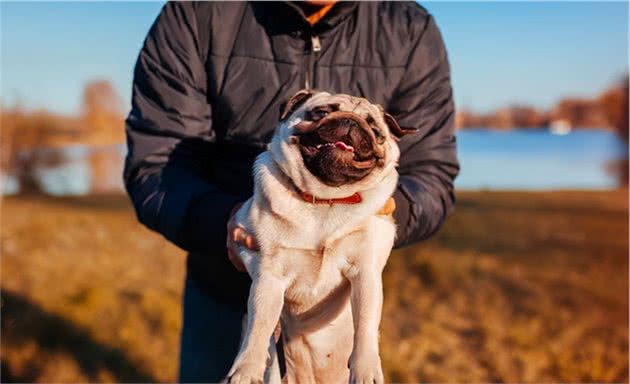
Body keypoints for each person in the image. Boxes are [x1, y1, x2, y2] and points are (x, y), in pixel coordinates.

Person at [123, 1, 459, 382]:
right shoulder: (200, 12)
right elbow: (157, 163)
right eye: (321, 116)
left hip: (341, 312)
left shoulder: (409, 28)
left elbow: (432, 174)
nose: (345, 130)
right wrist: (226, 223)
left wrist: (385, 211)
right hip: (222, 286)